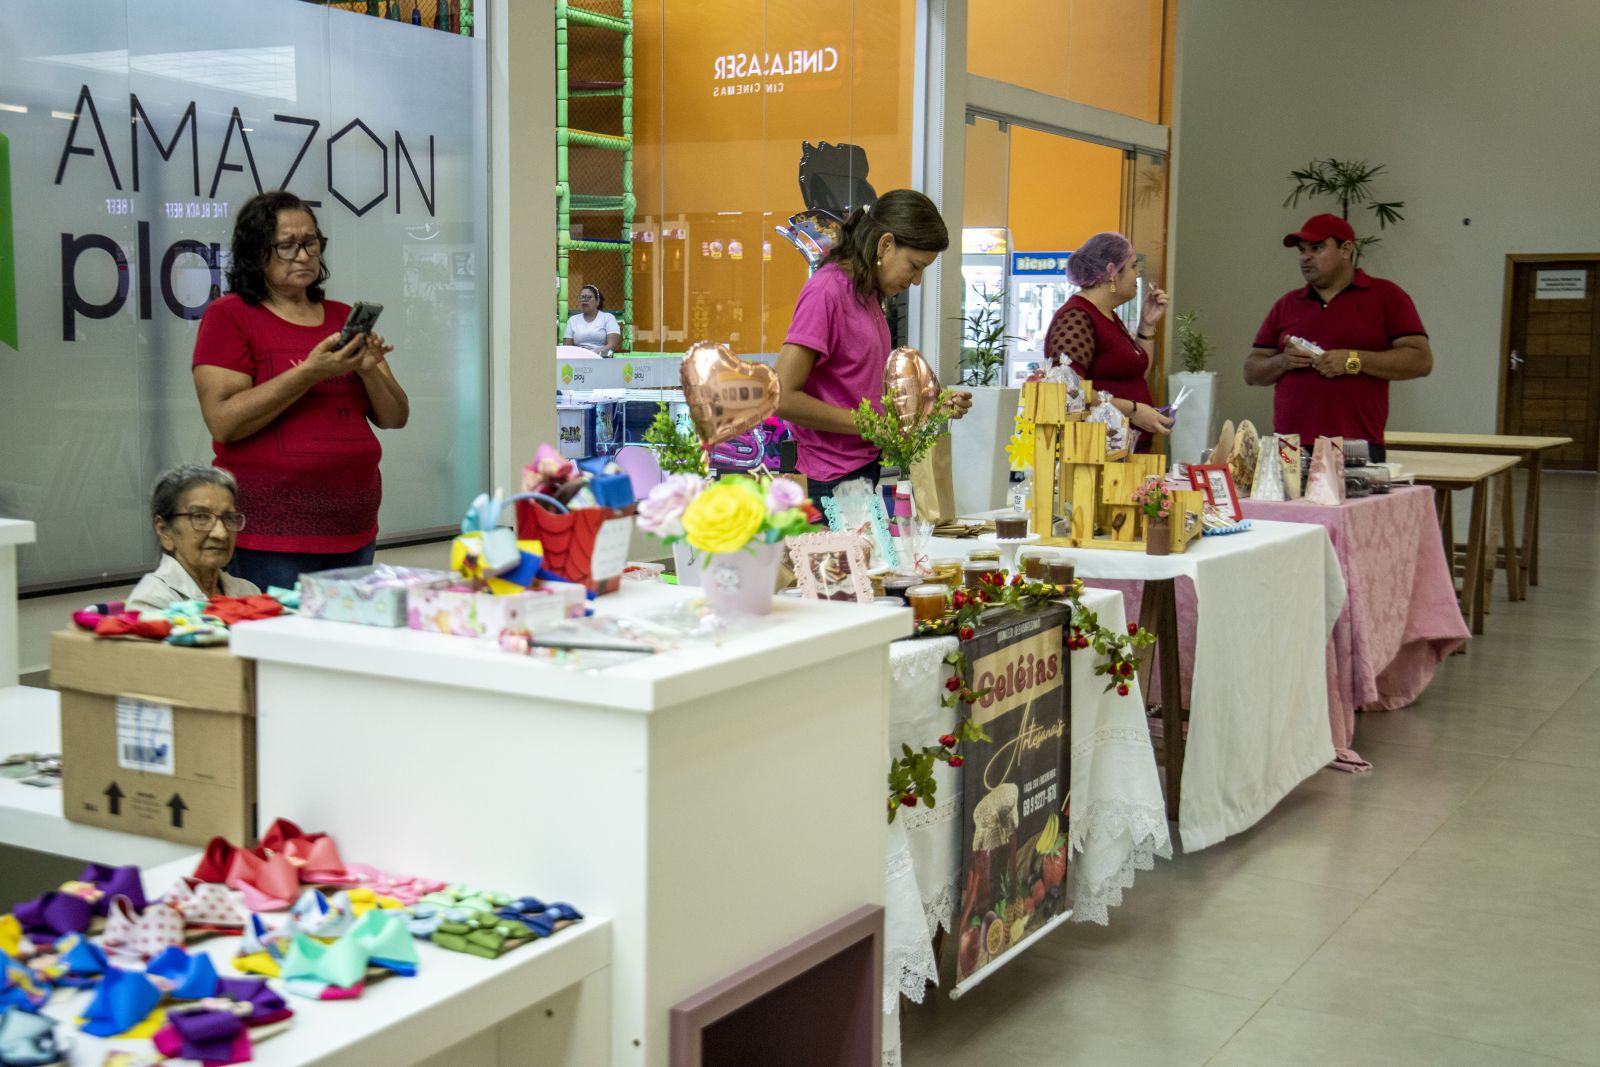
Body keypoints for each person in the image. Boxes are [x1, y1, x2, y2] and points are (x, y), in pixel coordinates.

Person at [192, 190, 410, 592]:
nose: (304, 254)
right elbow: (224, 422)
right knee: (277, 646)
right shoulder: (230, 316)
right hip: (269, 532)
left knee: (341, 650)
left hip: (353, 526)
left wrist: (367, 371)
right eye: (287, 245)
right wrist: (311, 372)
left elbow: (395, 417)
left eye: (311, 242)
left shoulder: (343, 317)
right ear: (257, 252)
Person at [775, 189, 972, 498]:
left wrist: (928, 406)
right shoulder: (826, 292)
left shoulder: (868, 297)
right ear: (885, 244)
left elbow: (858, 392)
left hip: (861, 472)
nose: (916, 280)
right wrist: (871, 425)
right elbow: (781, 396)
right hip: (827, 480)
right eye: (914, 266)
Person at [1244, 213, 1432, 460]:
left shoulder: (1387, 296)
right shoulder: (1287, 304)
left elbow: (1420, 361)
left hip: (1355, 446)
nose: (1305, 257)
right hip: (1289, 448)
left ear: (1346, 249)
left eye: (1317, 247)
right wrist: (1282, 362)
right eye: (1301, 250)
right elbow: (1251, 372)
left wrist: (1353, 361)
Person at [1043, 232, 1173, 449]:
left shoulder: (1107, 315)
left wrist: (1147, 325)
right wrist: (1133, 410)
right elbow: (1066, 389)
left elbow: (1136, 375)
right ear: (1112, 272)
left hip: (1124, 450)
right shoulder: (1077, 317)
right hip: (1094, 454)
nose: (1138, 274)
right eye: (1133, 266)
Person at [126, 466, 260, 615]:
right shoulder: (152, 601)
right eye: (201, 517)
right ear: (164, 530)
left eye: (229, 518)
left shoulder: (248, 592)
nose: (221, 534)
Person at [563, 284, 622, 357]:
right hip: (578, 359)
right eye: (582, 297)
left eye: (588, 297)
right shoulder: (572, 320)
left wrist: (592, 354)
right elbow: (567, 347)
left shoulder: (608, 318)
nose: (584, 300)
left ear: (597, 301)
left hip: (601, 359)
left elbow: (612, 345)